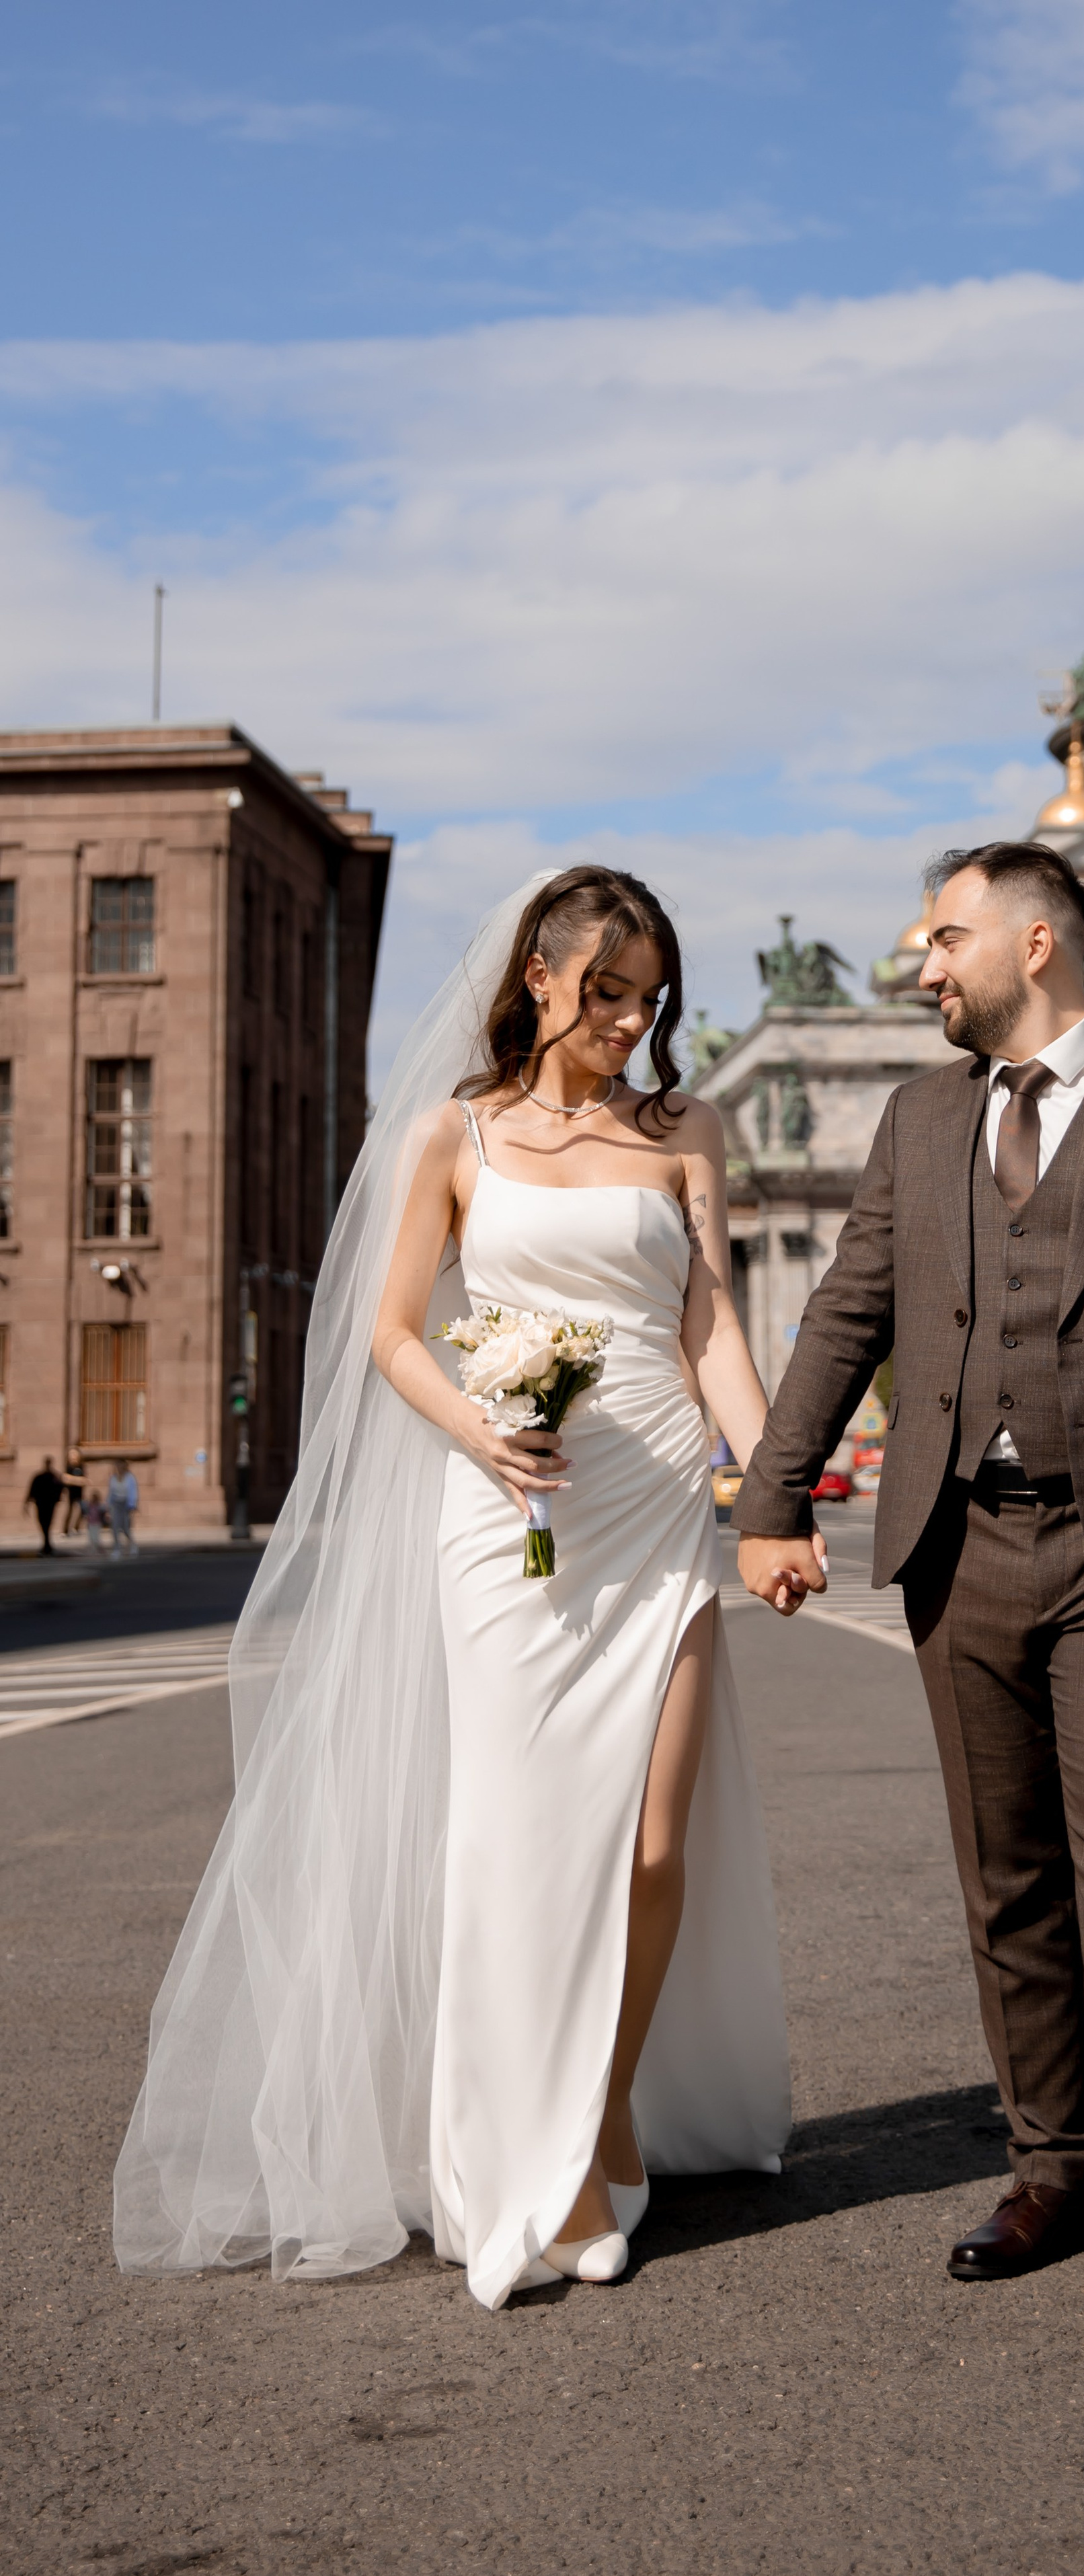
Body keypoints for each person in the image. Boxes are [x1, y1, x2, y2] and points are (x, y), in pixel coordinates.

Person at [114, 869, 789, 2310]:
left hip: (657, 1509)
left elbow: (709, 1320)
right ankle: (507, 2165)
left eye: (648, 998)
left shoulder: (684, 1131)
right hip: (508, 1517)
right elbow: (391, 1330)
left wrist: (770, 1485)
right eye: (604, 992)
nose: (627, 1022)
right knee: (512, 1846)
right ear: (538, 979)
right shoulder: (454, 1134)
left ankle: (602, 2119)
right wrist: (479, 1426)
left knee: (654, 1847)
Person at [736, 841, 1084, 2347]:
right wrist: (770, 1493)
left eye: (944, 938)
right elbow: (847, 1310)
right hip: (953, 1545)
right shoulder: (918, 1119)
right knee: (1007, 1880)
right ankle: (1043, 2171)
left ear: (1033, 942)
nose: (923, 965)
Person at [24, 1456, 62, 1555]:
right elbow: (32, 1490)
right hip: (41, 1504)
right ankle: (47, 1545)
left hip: (49, 1504)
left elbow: (60, 1489)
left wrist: (57, 1499)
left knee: (47, 1524)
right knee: (43, 1523)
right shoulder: (39, 1477)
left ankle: (47, 1545)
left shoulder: (55, 1477)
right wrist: (27, 1503)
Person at [106, 1459, 140, 1557]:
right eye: (117, 1467)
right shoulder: (113, 1478)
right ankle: (117, 1549)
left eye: (120, 1466)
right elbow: (110, 1493)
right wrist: (108, 1506)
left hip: (126, 1504)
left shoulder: (130, 1478)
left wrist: (132, 1505)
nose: (118, 1469)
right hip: (116, 1504)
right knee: (115, 1527)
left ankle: (133, 1545)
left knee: (125, 1527)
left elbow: (133, 1492)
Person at [62, 1446, 86, 1538]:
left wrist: (73, 1480)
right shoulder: (68, 1467)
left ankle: (76, 1527)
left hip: (80, 1493)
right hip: (71, 1493)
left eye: (75, 1454)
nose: (73, 1456)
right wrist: (77, 1480)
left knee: (83, 1510)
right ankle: (65, 1529)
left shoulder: (81, 1467)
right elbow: (65, 1479)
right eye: (71, 1454)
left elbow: (85, 1480)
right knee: (70, 1511)